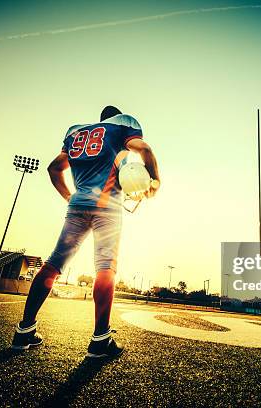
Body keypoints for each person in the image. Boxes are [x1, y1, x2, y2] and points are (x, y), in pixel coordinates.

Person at [11, 105, 160, 359]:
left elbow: (54, 168)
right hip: (107, 207)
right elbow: (144, 149)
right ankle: (100, 339)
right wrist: (155, 180)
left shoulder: (76, 132)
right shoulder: (122, 125)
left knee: (53, 264)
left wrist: (71, 197)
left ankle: (24, 330)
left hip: (78, 205)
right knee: (105, 268)